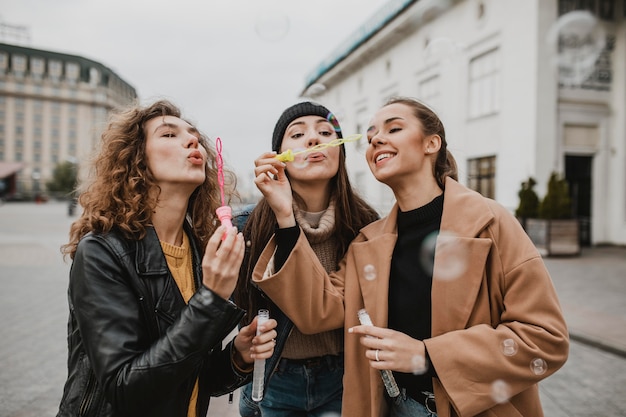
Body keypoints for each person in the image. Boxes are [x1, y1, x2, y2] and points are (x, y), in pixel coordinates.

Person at [249, 97, 569, 417]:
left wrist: (426, 354)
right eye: (371, 134)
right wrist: (285, 216)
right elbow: (315, 310)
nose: (376, 139)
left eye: (395, 128)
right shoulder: (368, 243)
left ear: (431, 143)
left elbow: (545, 339)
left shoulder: (492, 223)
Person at [56, 99, 277, 417]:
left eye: (193, 134)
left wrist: (236, 358)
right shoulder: (102, 252)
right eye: (169, 134)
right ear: (137, 160)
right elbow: (126, 391)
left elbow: (186, 377)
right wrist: (212, 298)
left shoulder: (197, 251)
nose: (192, 139)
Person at [233, 101, 379, 416]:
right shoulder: (246, 225)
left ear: (340, 151)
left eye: (325, 132)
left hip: (344, 376)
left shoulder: (365, 223)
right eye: (297, 134)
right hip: (273, 378)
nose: (313, 139)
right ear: (278, 155)